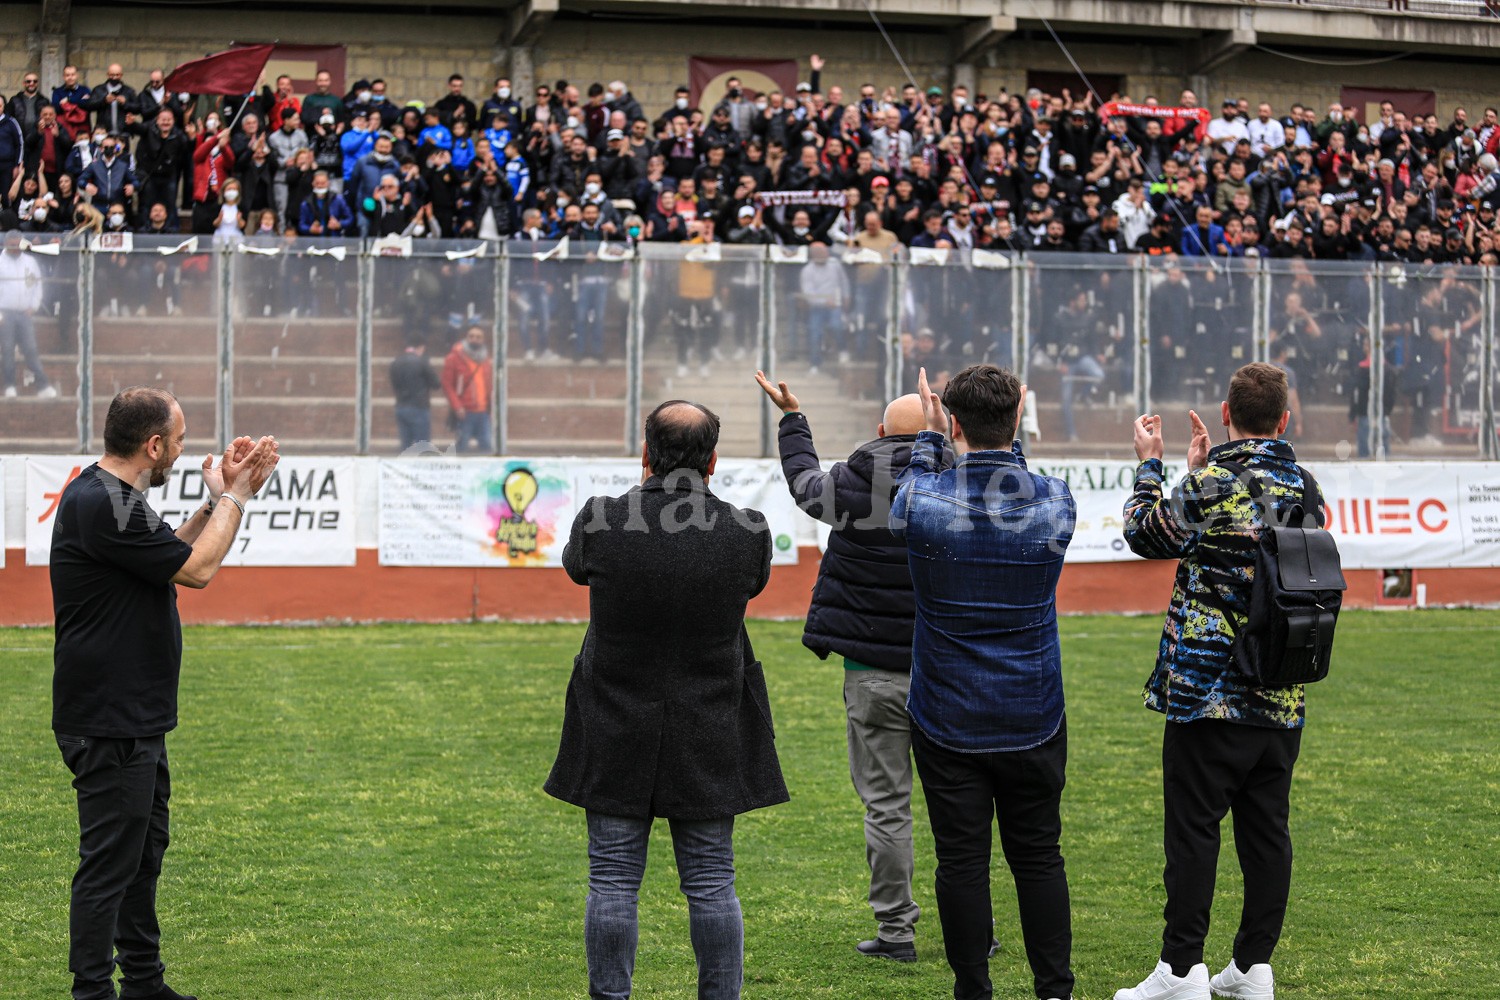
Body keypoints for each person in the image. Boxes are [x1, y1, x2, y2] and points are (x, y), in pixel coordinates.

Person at [545, 399, 788, 1000]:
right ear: (712, 460)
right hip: (709, 719)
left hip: (614, 717)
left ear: (647, 453)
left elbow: (577, 567)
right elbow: (751, 581)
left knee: (613, 881)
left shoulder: (602, 520)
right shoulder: (747, 530)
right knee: (710, 881)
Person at [50, 387, 279, 1000]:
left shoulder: (114, 497)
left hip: (133, 715)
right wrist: (235, 495)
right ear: (153, 445)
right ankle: (92, 993)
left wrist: (215, 500)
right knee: (109, 866)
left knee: (142, 855)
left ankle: (145, 985)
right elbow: (198, 571)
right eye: (178, 440)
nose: (183, 449)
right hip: (108, 718)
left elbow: (171, 554)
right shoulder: (102, 501)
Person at [1116, 363, 1319, 1000]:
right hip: (1283, 689)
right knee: (1267, 835)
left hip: (1210, 692)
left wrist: (1154, 465)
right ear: (1285, 421)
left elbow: (1143, 534)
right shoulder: (1307, 485)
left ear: (1226, 415)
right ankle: (1253, 966)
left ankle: (1181, 971)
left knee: (1194, 830)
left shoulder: (1214, 481)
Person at [756, 371, 961, 964]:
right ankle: (974, 926)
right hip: (950, 670)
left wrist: (793, 417)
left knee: (887, 806)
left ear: (878, 433)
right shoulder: (964, 481)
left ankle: (896, 932)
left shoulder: (852, 479)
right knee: (962, 804)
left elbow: (801, 481)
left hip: (871, 670)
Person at [891, 364, 1077, 1000]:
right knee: (1038, 858)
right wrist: (1004, 425)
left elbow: (914, 482)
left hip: (948, 714)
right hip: (1032, 712)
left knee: (962, 863)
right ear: (1019, 417)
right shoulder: (1055, 499)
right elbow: (1013, 474)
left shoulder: (922, 500)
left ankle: (973, 989)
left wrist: (930, 433)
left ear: (952, 421)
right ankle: (1055, 989)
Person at [1, 231, 58, 398]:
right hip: (6, 313)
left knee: (31, 349)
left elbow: (37, 286)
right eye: (12, 245)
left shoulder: (30, 262)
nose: (15, 248)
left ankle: (43, 386)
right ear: (6, 244)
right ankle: (10, 385)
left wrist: (34, 306)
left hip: (25, 313)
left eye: (18, 245)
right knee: (8, 349)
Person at [441, 324, 493, 454]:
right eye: (471, 336)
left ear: (483, 340)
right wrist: (457, 406)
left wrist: (490, 407)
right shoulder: (454, 358)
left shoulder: (485, 359)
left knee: (486, 447)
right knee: (462, 448)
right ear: (466, 338)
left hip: (483, 411)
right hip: (465, 411)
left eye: (478, 337)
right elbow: (447, 384)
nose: (474, 339)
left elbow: (488, 384)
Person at [389, 333, 441, 451]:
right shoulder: (422, 362)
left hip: (401, 407)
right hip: (419, 407)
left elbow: (394, 384)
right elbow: (436, 384)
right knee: (422, 448)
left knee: (405, 448)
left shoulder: (396, 362)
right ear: (421, 347)